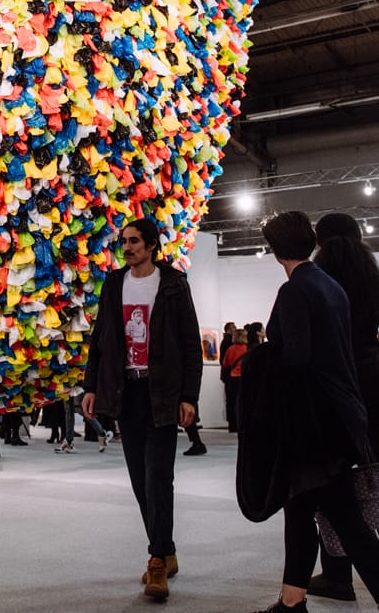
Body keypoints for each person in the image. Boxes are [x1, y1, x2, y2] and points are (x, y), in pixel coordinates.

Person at [245, 212, 379, 613]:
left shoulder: (296, 289)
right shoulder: (329, 285)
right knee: (300, 510)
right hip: (338, 411)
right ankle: (291, 600)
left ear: (274, 250)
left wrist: (263, 357)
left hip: (313, 422)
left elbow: (297, 357)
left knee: (344, 519)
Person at [82, 217, 201, 602]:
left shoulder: (172, 285)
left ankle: (156, 562)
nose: (127, 247)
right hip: (125, 393)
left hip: (161, 392)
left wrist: (190, 396)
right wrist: (90, 386)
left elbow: (188, 343)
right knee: (139, 480)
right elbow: (100, 339)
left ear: (151, 245)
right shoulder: (114, 283)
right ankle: (165, 549)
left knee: (157, 477)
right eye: (124, 241)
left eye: (134, 241)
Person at [304, 214, 379, 601]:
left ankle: (336, 574)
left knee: (331, 481)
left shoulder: (321, 279)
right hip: (371, 380)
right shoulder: (371, 277)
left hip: (335, 383)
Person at [221, 329, 247, 433]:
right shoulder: (247, 349)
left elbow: (226, 364)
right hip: (243, 378)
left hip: (232, 378)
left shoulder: (230, 349)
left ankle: (232, 425)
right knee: (242, 402)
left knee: (231, 402)